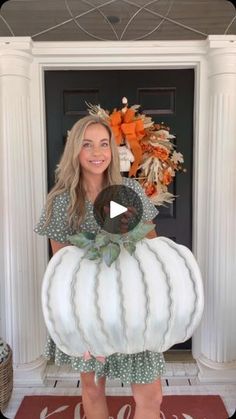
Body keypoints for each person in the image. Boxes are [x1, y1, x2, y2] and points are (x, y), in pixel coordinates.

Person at [34, 115, 165, 419]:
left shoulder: (126, 190)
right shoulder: (62, 202)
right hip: (89, 310)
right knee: (93, 390)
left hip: (134, 305)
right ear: (75, 152)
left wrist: (125, 233)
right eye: (87, 145)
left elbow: (151, 244)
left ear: (112, 149)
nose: (97, 153)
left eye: (104, 144)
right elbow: (62, 267)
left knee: (151, 395)